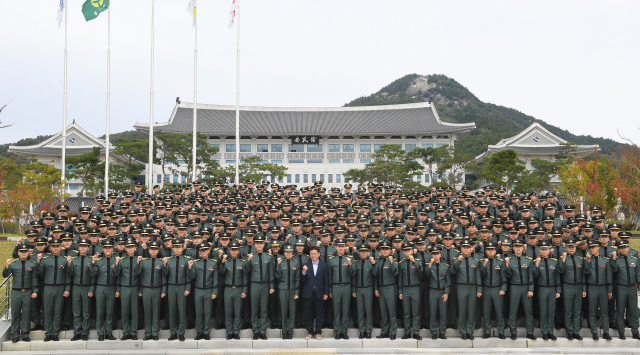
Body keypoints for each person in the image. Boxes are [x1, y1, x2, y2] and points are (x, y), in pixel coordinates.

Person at [36, 238, 71, 342]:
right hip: (48, 287)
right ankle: (48, 333)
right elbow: (38, 272)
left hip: (60, 287)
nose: (55, 248)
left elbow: (68, 276)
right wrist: (38, 261)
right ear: (50, 248)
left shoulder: (65, 259)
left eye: (57, 246)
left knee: (58, 310)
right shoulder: (45, 259)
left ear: (60, 248)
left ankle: (55, 333)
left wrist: (67, 289)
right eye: (53, 247)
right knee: (47, 311)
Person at [3, 244, 38, 343]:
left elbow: (34, 279)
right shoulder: (13, 264)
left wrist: (35, 291)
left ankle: (25, 334)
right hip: (16, 292)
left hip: (27, 292)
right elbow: (5, 275)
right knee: (15, 314)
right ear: (18, 253)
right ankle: (15, 335)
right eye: (21, 252)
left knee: (26, 314)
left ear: (28, 253)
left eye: (25, 251)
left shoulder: (32, 264)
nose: (23, 253)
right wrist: (7, 266)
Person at [450, 238, 482, 340]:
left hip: (472, 287)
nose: (466, 250)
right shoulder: (457, 260)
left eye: (468, 248)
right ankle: (463, 331)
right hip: (461, 287)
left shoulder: (475, 261)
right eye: (464, 247)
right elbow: (452, 272)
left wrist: (479, 289)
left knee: (471, 310)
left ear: (471, 249)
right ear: (461, 248)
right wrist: (458, 261)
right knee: (462, 310)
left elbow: (478, 277)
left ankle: (470, 331)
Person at [504, 239, 536, 340]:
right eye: (516, 246)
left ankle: (530, 332)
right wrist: (507, 265)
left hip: (526, 287)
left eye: (520, 246)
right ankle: (513, 332)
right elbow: (507, 275)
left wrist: (531, 289)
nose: (518, 248)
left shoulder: (528, 260)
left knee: (528, 311)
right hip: (514, 287)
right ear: (513, 248)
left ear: (523, 248)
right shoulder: (509, 259)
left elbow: (531, 276)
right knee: (513, 311)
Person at [558, 239, 588, 340]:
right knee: (568, 310)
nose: (571, 248)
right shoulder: (563, 258)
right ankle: (569, 332)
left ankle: (576, 331)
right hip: (567, 286)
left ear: (576, 248)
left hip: (578, 286)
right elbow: (560, 271)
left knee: (577, 311)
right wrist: (563, 260)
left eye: (573, 247)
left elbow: (583, 275)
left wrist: (584, 289)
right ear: (565, 248)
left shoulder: (580, 259)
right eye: (569, 247)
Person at [188, 242, 219, 340]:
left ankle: (206, 332)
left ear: (209, 251)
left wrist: (215, 292)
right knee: (199, 312)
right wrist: (189, 268)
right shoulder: (196, 263)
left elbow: (215, 279)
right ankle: (199, 332)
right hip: (198, 290)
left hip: (209, 291)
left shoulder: (213, 263)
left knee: (207, 312)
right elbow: (191, 277)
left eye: (205, 250)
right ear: (199, 252)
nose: (204, 252)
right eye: (201, 250)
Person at [163, 238, 192, 341]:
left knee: (182, 311)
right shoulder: (169, 259)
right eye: (175, 247)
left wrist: (187, 288)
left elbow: (189, 276)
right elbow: (165, 274)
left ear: (182, 248)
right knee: (172, 311)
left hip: (182, 287)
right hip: (171, 287)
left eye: (179, 247)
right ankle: (173, 333)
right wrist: (165, 265)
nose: (177, 249)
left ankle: (181, 333)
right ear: (173, 248)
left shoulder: (187, 260)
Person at [610, 240, 640, 339]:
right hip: (621, 287)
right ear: (618, 250)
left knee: (634, 311)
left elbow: (638, 275)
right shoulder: (616, 260)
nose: (624, 249)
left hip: (632, 288)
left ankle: (635, 332)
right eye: (621, 248)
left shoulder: (634, 259)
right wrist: (614, 259)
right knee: (620, 310)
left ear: (628, 248)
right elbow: (614, 270)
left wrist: (639, 287)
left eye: (625, 247)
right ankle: (621, 331)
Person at [136, 241, 166, 340]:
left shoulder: (161, 262)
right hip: (146, 289)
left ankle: (155, 333)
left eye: (155, 249)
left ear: (158, 251)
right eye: (152, 249)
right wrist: (137, 263)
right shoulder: (143, 262)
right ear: (148, 251)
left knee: (156, 312)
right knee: (147, 311)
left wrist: (163, 290)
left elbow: (164, 277)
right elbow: (139, 275)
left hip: (157, 289)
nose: (153, 251)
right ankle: (148, 333)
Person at [90, 239, 119, 341]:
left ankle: (108, 332)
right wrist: (93, 263)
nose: (107, 250)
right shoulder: (99, 261)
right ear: (103, 249)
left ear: (112, 249)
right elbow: (93, 274)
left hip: (111, 288)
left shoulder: (115, 260)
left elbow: (116, 275)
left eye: (109, 248)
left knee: (109, 312)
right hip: (100, 288)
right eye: (106, 248)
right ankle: (100, 333)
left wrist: (116, 264)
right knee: (100, 312)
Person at [247, 235, 275, 340]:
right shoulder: (251, 256)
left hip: (265, 285)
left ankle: (263, 331)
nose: (259, 245)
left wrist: (271, 286)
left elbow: (271, 273)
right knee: (254, 309)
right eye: (257, 243)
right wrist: (248, 261)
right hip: (254, 284)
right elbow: (246, 271)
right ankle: (255, 331)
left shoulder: (268, 257)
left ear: (263, 244)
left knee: (264, 309)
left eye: (261, 243)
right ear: (254, 245)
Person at [531, 241, 561, 340]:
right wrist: (537, 264)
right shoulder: (536, 261)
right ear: (539, 250)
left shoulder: (554, 261)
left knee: (551, 311)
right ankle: (544, 332)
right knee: (543, 311)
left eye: (546, 249)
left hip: (552, 289)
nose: (544, 251)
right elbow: (534, 275)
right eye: (542, 249)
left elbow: (557, 277)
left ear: (549, 250)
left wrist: (558, 290)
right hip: (542, 288)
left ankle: (550, 331)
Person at [219, 241, 249, 339]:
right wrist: (222, 261)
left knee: (237, 312)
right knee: (228, 312)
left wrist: (244, 290)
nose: (234, 252)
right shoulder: (226, 262)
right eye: (232, 250)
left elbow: (245, 277)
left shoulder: (242, 262)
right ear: (229, 251)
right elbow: (221, 272)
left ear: (238, 251)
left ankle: (236, 331)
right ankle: (229, 332)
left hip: (239, 289)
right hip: (228, 289)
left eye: (236, 250)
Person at [586, 240, 614, 340]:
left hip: (603, 287)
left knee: (604, 311)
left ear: (598, 248)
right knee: (592, 311)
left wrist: (610, 290)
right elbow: (586, 272)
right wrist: (588, 261)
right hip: (592, 287)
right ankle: (594, 332)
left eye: (593, 247)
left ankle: (606, 332)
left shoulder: (606, 260)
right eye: (590, 248)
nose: (591, 249)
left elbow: (609, 277)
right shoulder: (588, 260)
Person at [328, 238, 355, 339]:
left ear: (345, 247)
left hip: (347, 286)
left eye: (342, 246)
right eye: (338, 246)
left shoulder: (349, 259)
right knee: (337, 309)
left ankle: (344, 331)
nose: (340, 248)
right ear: (336, 247)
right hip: (335, 287)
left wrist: (350, 265)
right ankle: (337, 331)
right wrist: (330, 290)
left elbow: (353, 274)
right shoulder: (331, 260)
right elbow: (330, 276)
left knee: (345, 309)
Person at [66, 238, 93, 341]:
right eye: (81, 246)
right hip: (76, 287)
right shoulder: (74, 259)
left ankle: (85, 332)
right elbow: (69, 274)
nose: (82, 248)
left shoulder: (91, 260)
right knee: (76, 311)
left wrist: (91, 289)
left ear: (88, 248)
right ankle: (77, 332)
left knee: (86, 311)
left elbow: (93, 276)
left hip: (86, 287)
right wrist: (68, 265)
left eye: (85, 246)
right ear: (78, 248)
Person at [301, 246, 329, 340]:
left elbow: (326, 280)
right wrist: (303, 272)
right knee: (308, 314)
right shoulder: (306, 265)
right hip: (308, 293)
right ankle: (310, 332)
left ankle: (318, 332)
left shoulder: (324, 265)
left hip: (319, 293)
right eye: (311, 254)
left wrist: (326, 293)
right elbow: (301, 279)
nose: (313, 255)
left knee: (319, 314)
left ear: (319, 254)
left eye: (314, 253)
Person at [480, 242, 507, 339]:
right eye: (488, 249)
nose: (490, 251)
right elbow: (481, 276)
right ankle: (487, 331)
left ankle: (501, 331)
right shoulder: (482, 261)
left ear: (495, 251)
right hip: (486, 289)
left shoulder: (500, 262)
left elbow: (503, 277)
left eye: (492, 249)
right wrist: (484, 264)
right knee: (486, 312)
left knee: (499, 311)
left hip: (497, 289)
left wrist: (503, 288)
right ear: (486, 251)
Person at [397, 242, 423, 340]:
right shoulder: (401, 263)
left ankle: (416, 332)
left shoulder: (417, 261)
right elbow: (399, 278)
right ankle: (407, 332)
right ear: (403, 252)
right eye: (405, 250)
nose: (407, 252)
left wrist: (414, 261)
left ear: (412, 251)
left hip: (415, 288)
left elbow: (421, 270)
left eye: (409, 250)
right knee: (406, 313)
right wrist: (400, 291)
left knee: (416, 312)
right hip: (405, 289)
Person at [116, 239, 141, 340]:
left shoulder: (139, 259)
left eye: (132, 247)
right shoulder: (121, 260)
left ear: (135, 248)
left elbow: (140, 275)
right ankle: (126, 332)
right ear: (125, 248)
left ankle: (134, 332)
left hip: (135, 288)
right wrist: (118, 289)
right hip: (124, 288)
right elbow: (117, 276)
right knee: (125, 310)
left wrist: (138, 263)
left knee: (134, 311)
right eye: (128, 247)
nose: (130, 249)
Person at [352, 244, 377, 339]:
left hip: (368, 289)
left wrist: (374, 264)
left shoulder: (371, 262)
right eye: (361, 251)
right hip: (358, 289)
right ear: (359, 253)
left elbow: (375, 275)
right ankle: (362, 330)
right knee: (360, 311)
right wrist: (353, 289)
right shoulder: (356, 262)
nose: (363, 253)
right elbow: (354, 277)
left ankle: (368, 331)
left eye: (365, 251)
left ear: (368, 252)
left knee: (368, 310)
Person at [374, 240, 398, 340]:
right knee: (383, 312)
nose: (384, 251)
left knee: (391, 312)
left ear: (390, 250)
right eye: (383, 249)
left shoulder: (394, 261)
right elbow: (375, 276)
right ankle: (384, 332)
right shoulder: (378, 262)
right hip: (381, 289)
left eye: (386, 249)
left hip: (390, 288)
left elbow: (396, 272)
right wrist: (376, 289)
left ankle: (393, 332)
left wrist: (392, 261)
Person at [275, 245, 300, 339]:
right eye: (287, 252)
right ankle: (284, 331)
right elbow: (277, 276)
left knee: (292, 311)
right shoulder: (281, 263)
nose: (288, 254)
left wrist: (297, 292)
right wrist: (278, 264)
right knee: (284, 311)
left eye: (290, 252)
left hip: (293, 290)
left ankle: (290, 331)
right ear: (284, 253)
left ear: (292, 253)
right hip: (283, 289)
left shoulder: (295, 263)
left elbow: (297, 279)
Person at [426, 246, 450, 340]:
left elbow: (448, 281)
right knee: (432, 312)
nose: (435, 256)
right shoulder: (429, 265)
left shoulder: (445, 266)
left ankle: (442, 332)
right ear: (431, 255)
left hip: (442, 292)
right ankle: (434, 332)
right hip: (433, 291)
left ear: (440, 254)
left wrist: (446, 293)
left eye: (437, 254)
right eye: (433, 254)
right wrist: (430, 264)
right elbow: (426, 274)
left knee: (443, 313)